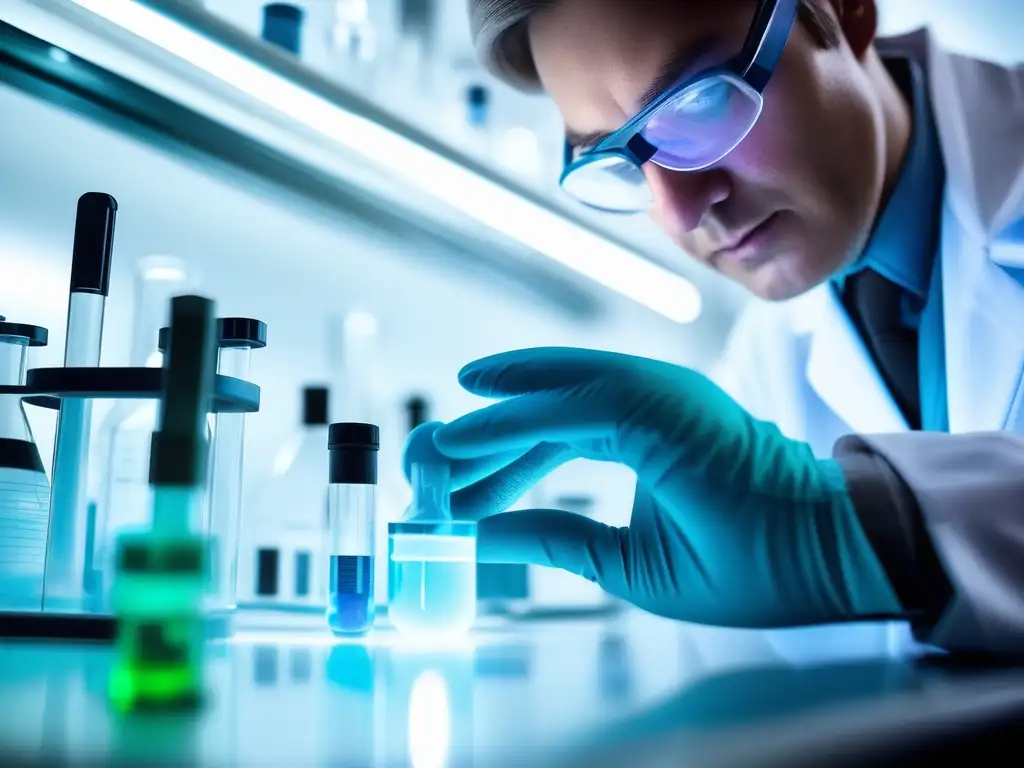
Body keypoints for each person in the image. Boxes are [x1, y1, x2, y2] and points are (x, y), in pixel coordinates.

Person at [402, 0, 1024, 656]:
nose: (678, 211)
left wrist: (868, 528)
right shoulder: (762, 366)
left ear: (846, 12)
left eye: (698, 104)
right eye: (619, 161)